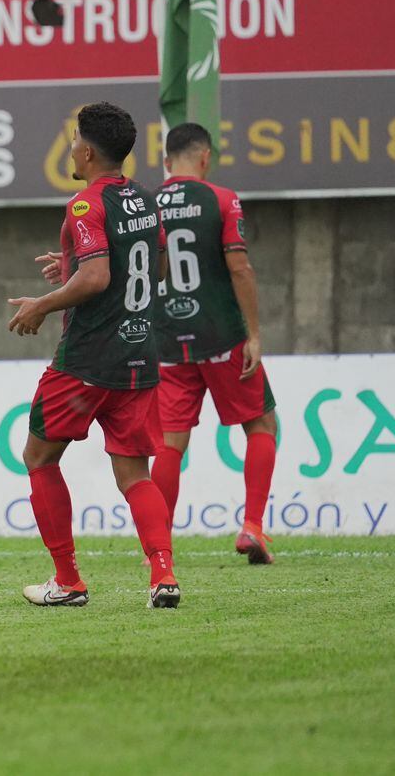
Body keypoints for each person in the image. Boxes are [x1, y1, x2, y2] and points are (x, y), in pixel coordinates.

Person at [8, 101, 180, 609]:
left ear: (85, 149)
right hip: (139, 358)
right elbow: (156, 266)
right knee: (134, 474)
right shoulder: (146, 201)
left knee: (39, 456)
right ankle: (163, 577)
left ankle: (68, 581)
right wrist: (73, 266)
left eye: (73, 140)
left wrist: (43, 302)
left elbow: (98, 276)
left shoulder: (86, 204)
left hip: (86, 361)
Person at [149, 123, 278, 564]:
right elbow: (240, 268)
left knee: (169, 443)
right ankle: (253, 527)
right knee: (261, 425)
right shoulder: (222, 199)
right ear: (205, 158)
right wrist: (255, 334)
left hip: (167, 340)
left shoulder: (148, 206)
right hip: (222, 336)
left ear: (167, 162)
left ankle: (157, 547)